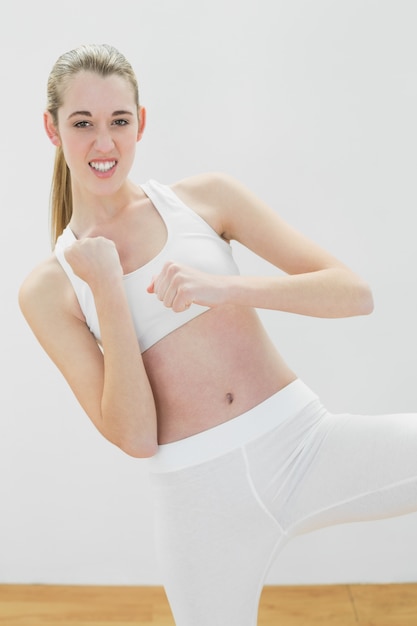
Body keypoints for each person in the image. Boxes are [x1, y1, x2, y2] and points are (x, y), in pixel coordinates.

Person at [18, 43, 417, 626]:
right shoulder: (49, 288)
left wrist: (227, 288)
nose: (104, 143)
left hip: (305, 446)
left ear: (141, 123)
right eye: (83, 124)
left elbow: (353, 293)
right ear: (52, 129)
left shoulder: (203, 201)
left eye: (118, 121)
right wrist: (108, 288)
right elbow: (135, 436)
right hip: (196, 501)